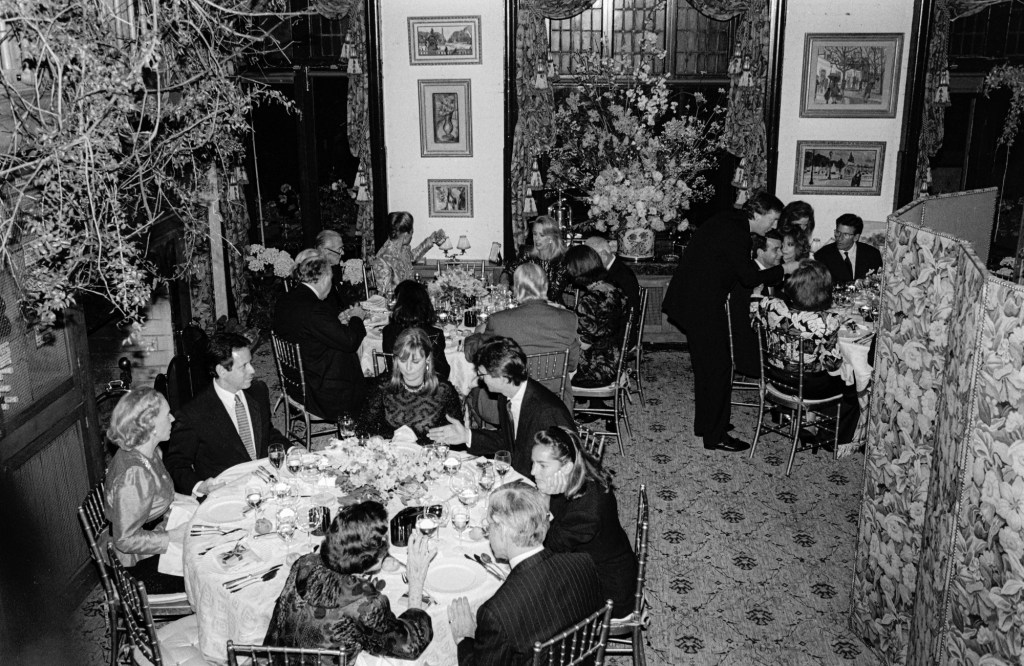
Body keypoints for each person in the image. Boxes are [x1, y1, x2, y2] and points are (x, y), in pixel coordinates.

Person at [663, 191, 799, 453]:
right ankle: (715, 436)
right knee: (718, 368)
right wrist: (784, 270)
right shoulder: (736, 231)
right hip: (699, 304)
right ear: (757, 213)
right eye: (772, 220)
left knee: (708, 368)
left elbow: (733, 269)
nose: (773, 227)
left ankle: (707, 424)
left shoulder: (730, 221)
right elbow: (748, 277)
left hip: (693, 301)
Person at [447, 482, 603, 666]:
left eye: (489, 526)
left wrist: (465, 639)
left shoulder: (496, 612)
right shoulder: (584, 563)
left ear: (502, 530)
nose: (488, 534)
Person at [264, 502, 434, 660]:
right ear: (371, 561)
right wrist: (416, 581)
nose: (386, 545)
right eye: (383, 543)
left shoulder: (304, 563)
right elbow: (411, 646)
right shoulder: (365, 603)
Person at [427, 337, 575, 477]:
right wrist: (467, 435)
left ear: (503, 378)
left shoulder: (546, 413)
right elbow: (510, 441)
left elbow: (564, 468)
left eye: (482, 374)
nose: (479, 379)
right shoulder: (507, 394)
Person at [531, 427, 637, 618]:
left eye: (542, 465)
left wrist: (544, 500)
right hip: (596, 562)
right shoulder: (578, 478)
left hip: (609, 590)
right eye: (534, 463)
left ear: (567, 467)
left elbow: (548, 548)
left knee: (530, 602)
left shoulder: (587, 508)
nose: (533, 471)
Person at [165, 333, 290, 495]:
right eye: (243, 366)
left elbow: (267, 433)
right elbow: (176, 463)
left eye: (250, 362)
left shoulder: (258, 392)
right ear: (222, 371)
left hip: (265, 483)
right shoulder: (193, 413)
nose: (252, 370)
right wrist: (199, 486)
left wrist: (291, 450)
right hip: (227, 494)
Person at [755, 261, 860, 446]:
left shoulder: (770, 305)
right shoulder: (829, 321)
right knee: (854, 383)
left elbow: (754, 324)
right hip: (809, 387)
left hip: (776, 378)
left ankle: (807, 421)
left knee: (809, 367)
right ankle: (835, 439)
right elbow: (832, 364)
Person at [104, 388, 187, 594]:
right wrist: (172, 537)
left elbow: (159, 492)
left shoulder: (147, 451)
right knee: (210, 569)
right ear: (151, 427)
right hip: (136, 568)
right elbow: (125, 540)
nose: (173, 418)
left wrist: (192, 500)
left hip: (153, 537)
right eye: (166, 415)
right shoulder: (134, 474)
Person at [464, 262, 580, 407]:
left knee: (472, 390)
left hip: (506, 402)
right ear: (545, 286)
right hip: (555, 400)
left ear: (516, 288)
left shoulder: (499, 320)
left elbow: (474, 355)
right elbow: (572, 364)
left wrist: (475, 334)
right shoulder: (568, 318)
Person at [272, 251, 368, 421]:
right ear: (324, 279)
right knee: (355, 360)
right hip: (317, 392)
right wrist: (356, 317)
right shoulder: (315, 309)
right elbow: (351, 342)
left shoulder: (286, 299)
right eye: (330, 280)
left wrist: (334, 323)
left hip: (294, 382)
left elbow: (308, 329)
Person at [358, 328, 462, 443]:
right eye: (402, 361)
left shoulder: (443, 390)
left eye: (415, 362)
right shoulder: (383, 386)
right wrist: (379, 438)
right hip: (390, 454)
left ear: (427, 359)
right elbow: (363, 427)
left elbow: (456, 437)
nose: (408, 368)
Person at [564, 244, 627, 389]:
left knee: (548, 361)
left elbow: (585, 344)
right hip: (616, 363)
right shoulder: (615, 290)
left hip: (595, 370)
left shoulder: (589, 301)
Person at [728, 229, 784, 378]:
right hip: (752, 351)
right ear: (759, 252)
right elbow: (744, 322)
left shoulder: (773, 273)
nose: (781, 254)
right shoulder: (748, 279)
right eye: (776, 250)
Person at [381, 280, 450, 381]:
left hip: (396, 384)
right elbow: (442, 371)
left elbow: (390, 366)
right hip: (427, 387)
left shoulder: (388, 331)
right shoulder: (436, 333)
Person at [373, 212, 446, 296]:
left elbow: (412, 257)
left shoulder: (403, 249)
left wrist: (431, 240)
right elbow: (386, 294)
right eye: (412, 232)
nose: (412, 236)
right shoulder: (382, 259)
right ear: (406, 234)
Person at [505, 216, 571, 304]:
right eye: (535, 234)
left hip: (552, 309)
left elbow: (552, 294)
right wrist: (504, 283)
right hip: (526, 305)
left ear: (551, 238)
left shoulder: (561, 260)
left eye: (542, 235)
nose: (536, 238)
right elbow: (508, 271)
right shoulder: (527, 254)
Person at [814, 213, 883, 284]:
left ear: (856, 237)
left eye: (846, 235)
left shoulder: (873, 254)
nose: (839, 238)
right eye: (838, 232)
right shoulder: (822, 256)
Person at [584, 233, 640, 315]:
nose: (588, 263)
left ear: (603, 254)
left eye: (590, 258)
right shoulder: (610, 268)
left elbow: (630, 311)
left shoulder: (623, 275)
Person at [315, 229, 361, 311]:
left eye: (342, 248)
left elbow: (343, 300)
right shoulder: (315, 275)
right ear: (324, 251)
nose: (342, 253)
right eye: (339, 249)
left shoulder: (335, 268)